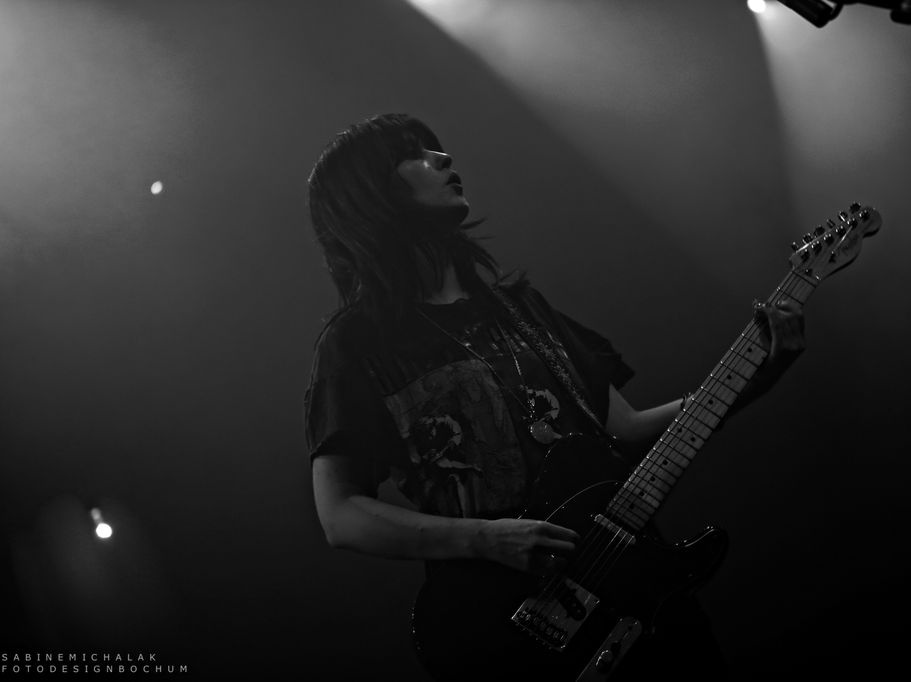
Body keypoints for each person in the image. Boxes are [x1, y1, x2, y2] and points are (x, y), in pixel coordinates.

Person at [303, 113, 805, 679]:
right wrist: (485, 540)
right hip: (504, 624)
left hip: (637, 593)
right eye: (414, 154)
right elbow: (340, 514)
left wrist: (754, 379)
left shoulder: (523, 310)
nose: (443, 159)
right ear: (368, 194)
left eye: (436, 149)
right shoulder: (358, 343)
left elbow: (624, 432)